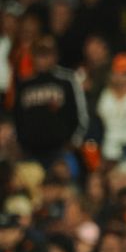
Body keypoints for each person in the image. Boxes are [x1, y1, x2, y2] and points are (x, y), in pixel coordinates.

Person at [12, 35, 88, 169]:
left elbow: (80, 114)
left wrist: (73, 142)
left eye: (46, 55)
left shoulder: (66, 81)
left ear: (55, 57)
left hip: (60, 151)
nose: (42, 60)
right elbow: (17, 117)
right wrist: (20, 144)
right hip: (30, 152)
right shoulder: (24, 84)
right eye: (39, 55)